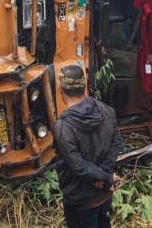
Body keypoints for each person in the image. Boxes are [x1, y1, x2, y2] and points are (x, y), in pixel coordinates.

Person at [53, 65, 123, 228]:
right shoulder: (107, 111)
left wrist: (103, 178)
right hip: (104, 194)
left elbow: (79, 167)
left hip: (80, 201)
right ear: (85, 85)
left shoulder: (63, 127)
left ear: (60, 89)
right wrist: (105, 176)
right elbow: (116, 143)